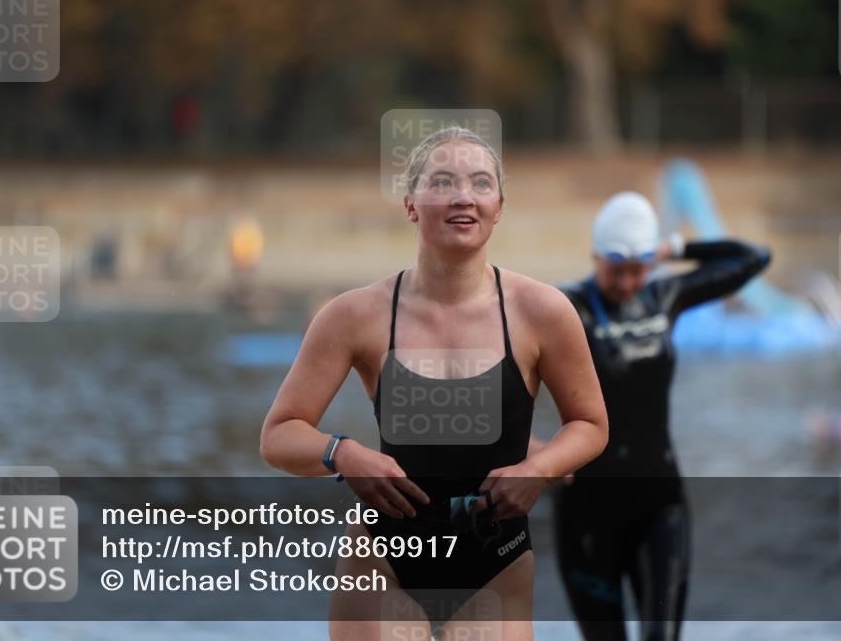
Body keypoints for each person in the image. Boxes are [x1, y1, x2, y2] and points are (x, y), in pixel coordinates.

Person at [260, 126, 608, 641]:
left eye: (481, 183)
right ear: (411, 205)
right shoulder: (355, 315)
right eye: (442, 182)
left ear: (499, 205)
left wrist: (538, 469)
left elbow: (591, 423)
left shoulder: (543, 312)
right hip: (383, 561)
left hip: (498, 564)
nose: (463, 196)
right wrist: (342, 454)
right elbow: (279, 435)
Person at [533, 191, 771, 641]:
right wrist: (531, 452)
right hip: (586, 510)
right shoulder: (565, 308)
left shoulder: (666, 294)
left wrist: (675, 249)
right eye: (616, 270)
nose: (627, 283)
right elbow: (496, 385)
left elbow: (754, 257)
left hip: (660, 507)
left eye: (638, 270)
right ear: (595, 256)